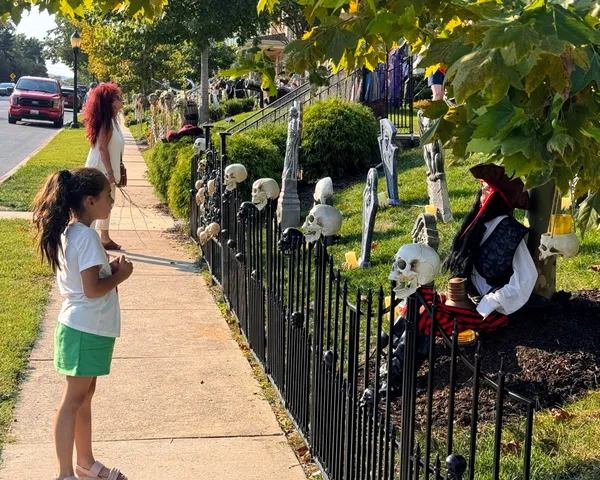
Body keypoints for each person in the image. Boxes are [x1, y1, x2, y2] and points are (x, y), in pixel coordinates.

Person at [379, 164, 537, 400]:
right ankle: (392, 354)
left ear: (496, 198)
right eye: (481, 190)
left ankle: (397, 377)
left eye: (486, 191)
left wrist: (489, 304)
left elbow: (526, 280)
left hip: (491, 313)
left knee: (427, 314)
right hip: (468, 300)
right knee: (420, 299)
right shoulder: (480, 227)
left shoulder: (510, 232)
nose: (481, 195)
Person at [32, 168, 133, 480]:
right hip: (84, 329)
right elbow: (91, 289)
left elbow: (86, 280)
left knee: (84, 397)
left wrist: (109, 270)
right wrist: (120, 275)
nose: (112, 202)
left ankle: (85, 463)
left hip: (86, 328)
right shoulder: (87, 237)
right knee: (73, 401)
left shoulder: (72, 232)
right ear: (90, 201)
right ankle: (65, 474)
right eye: (108, 197)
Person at [83, 82, 125, 250]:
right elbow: (102, 147)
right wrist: (109, 172)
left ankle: (104, 237)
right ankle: (88, 239)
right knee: (96, 204)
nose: (121, 100)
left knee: (107, 203)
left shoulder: (113, 121)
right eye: (118, 98)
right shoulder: (107, 122)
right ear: (109, 102)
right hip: (100, 169)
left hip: (108, 169)